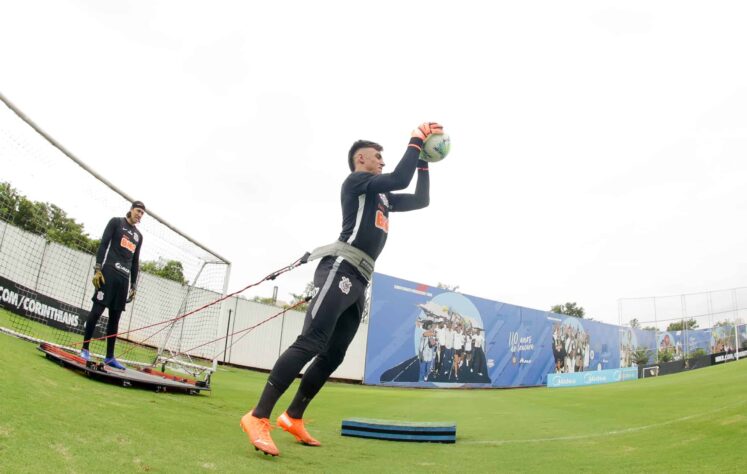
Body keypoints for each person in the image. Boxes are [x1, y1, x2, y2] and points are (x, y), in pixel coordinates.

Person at [240, 123, 441, 456]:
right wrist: (416, 141)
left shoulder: (383, 198)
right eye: (378, 157)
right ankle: (258, 415)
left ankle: (293, 416)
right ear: (361, 159)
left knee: (334, 353)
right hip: (340, 268)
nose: (382, 162)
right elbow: (399, 179)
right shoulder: (358, 183)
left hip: (361, 278)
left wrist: (423, 162)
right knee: (311, 342)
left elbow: (421, 199)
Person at [80, 201, 145, 370]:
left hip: (123, 280)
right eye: (138, 211)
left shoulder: (139, 236)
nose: (139, 215)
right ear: (131, 210)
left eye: (142, 213)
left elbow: (135, 262)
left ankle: (109, 357)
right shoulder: (116, 222)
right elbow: (103, 245)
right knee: (97, 311)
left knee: (115, 319)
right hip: (108, 273)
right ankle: (85, 349)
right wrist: (98, 268)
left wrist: (133, 285)